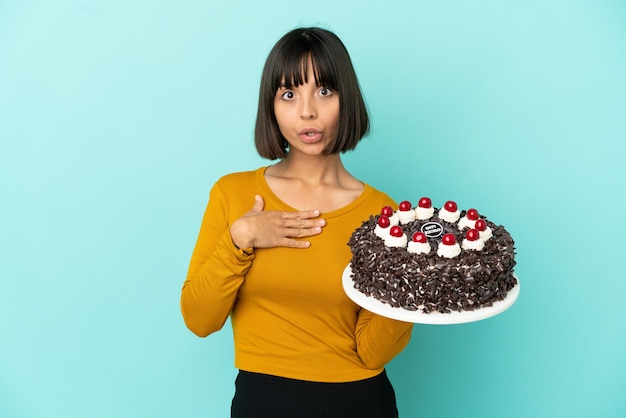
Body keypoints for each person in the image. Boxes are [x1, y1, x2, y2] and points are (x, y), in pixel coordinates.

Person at [180, 27, 413, 418]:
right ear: (271, 107)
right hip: (261, 401)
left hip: (359, 402)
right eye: (289, 94)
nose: (307, 111)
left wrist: (408, 293)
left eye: (324, 91)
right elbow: (199, 319)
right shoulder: (232, 194)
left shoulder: (384, 216)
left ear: (346, 99)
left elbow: (372, 353)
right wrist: (241, 239)